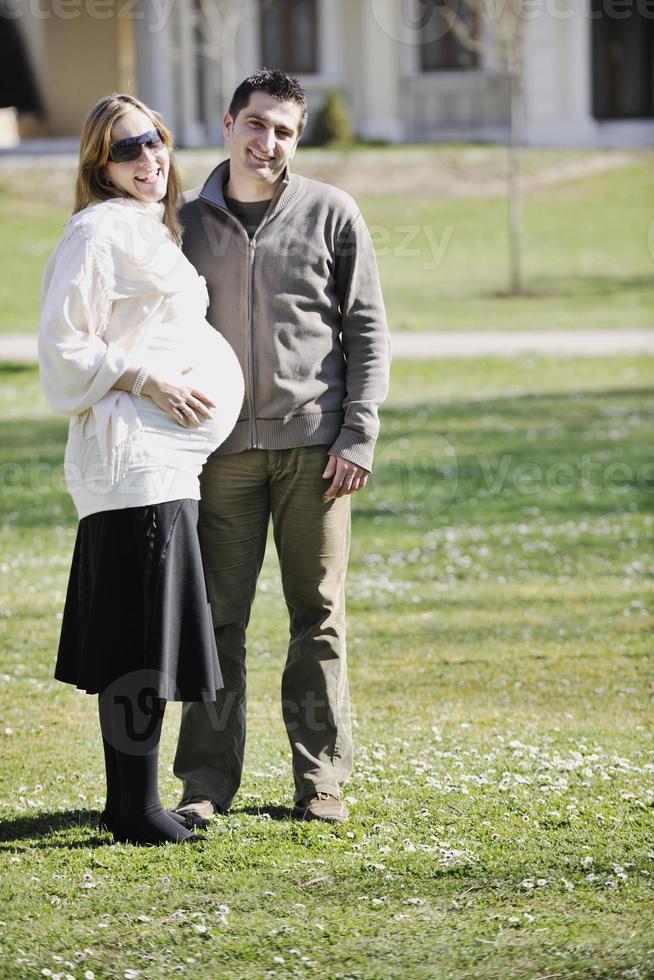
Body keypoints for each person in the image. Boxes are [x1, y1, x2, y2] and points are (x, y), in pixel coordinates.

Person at [173, 69, 391, 827]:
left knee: (318, 615)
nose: (269, 143)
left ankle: (321, 780)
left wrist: (357, 433)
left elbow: (367, 332)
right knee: (216, 619)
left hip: (315, 451)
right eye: (258, 125)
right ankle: (203, 783)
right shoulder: (183, 221)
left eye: (285, 131)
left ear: (298, 138)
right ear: (229, 122)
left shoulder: (333, 213)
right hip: (218, 453)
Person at [38, 93, 244, 846]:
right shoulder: (95, 233)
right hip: (131, 465)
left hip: (166, 466)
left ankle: (132, 799)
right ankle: (136, 806)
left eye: (155, 140)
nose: (148, 159)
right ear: (100, 163)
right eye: (127, 148)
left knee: (148, 638)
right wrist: (147, 380)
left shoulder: (147, 230)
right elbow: (64, 351)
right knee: (137, 643)